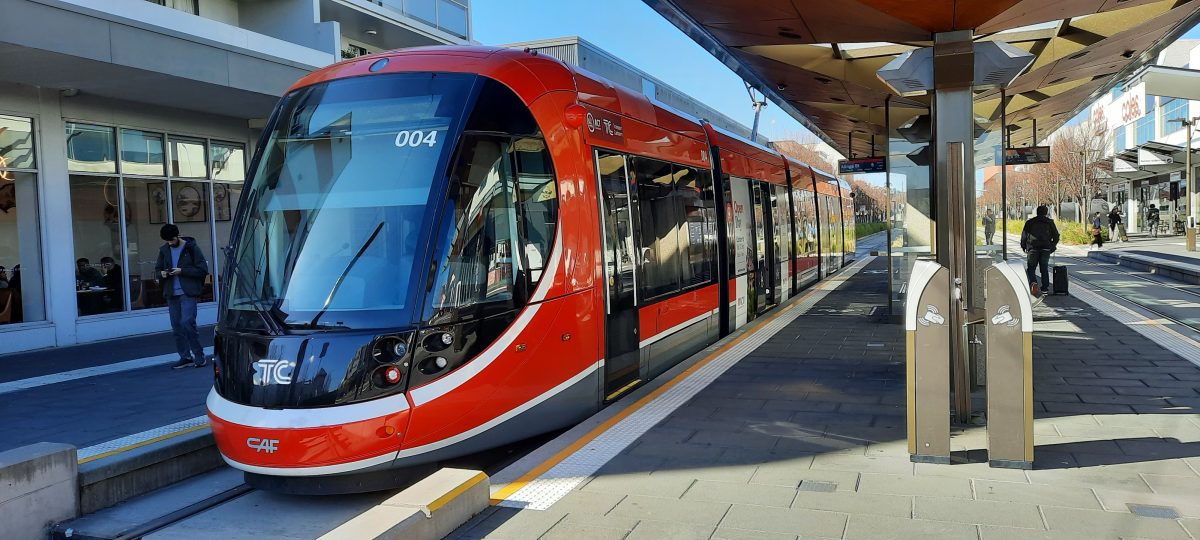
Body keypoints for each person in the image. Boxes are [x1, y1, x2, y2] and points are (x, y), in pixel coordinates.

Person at [155, 224, 209, 369]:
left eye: (172, 240)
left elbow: (203, 269)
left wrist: (181, 271)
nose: (170, 243)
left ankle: (199, 355)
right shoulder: (164, 250)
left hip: (188, 292)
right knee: (177, 327)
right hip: (171, 293)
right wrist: (163, 274)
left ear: (177, 236)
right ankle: (185, 357)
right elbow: (157, 271)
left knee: (187, 322)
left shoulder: (191, 248)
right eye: (167, 241)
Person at [1020, 205, 1059, 296]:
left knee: (1031, 268)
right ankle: (1045, 288)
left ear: (1037, 212)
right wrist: (1052, 246)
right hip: (1045, 249)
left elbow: (1024, 235)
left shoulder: (1030, 222)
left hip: (1032, 248)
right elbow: (1056, 236)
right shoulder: (1050, 222)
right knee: (1044, 269)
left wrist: (1023, 246)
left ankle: (1033, 282)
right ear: (1046, 213)